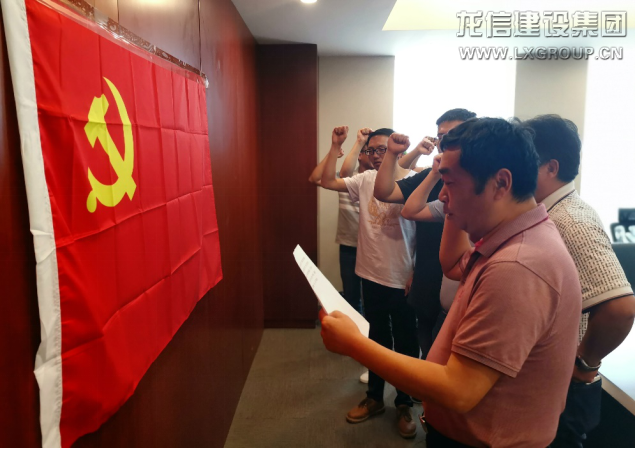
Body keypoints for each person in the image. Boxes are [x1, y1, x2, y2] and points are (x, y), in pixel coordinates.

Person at [320, 118, 582, 447]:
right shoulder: (514, 235)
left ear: (501, 183)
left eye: (450, 183)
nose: (442, 196)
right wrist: (457, 209)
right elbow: (452, 265)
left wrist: (354, 343)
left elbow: (459, 390)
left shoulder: (517, 265)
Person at [524, 114, 635, 448]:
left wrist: (584, 364)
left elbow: (620, 308)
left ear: (551, 167)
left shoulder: (571, 220)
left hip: (563, 383)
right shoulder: (550, 212)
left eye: (525, 159)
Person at [319, 126, 419, 439]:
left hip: (403, 278)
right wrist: (336, 146)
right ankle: (375, 398)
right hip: (370, 274)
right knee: (375, 340)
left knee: (405, 343)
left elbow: (428, 232)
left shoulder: (414, 180)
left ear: (399, 151)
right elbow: (326, 181)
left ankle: (404, 403)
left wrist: (417, 271)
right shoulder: (364, 180)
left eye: (383, 149)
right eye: (372, 150)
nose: (376, 156)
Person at [374, 108, 476, 359]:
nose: (445, 141)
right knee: (428, 351)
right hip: (428, 279)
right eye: (441, 136)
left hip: (464, 286)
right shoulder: (432, 176)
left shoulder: (480, 183)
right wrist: (392, 154)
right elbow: (384, 193)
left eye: (453, 135)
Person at [309, 127, 374, 314]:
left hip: (373, 248)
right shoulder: (346, 179)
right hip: (349, 246)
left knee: (373, 299)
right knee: (352, 297)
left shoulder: (379, 180)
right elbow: (315, 178)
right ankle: (354, 331)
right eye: (368, 151)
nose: (373, 155)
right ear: (360, 155)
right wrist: (334, 151)